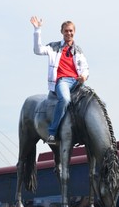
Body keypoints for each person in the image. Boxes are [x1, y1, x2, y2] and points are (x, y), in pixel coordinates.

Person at [30, 16, 89, 145]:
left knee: (93, 102)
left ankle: (85, 134)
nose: (69, 33)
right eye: (66, 31)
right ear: (62, 32)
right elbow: (37, 50)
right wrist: (37, 30)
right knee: (66, 100)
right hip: (62, 81)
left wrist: (83, 76)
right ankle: (52, 132)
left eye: (71, 31)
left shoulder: (78, 51)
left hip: (77, 82)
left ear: (74, 32)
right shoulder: (54, 47)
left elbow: (85, 68)